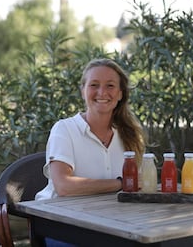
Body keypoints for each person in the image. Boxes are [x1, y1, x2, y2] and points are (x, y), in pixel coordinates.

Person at [35, 58, 146, 246]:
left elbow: (138, 186)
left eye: (110, 86)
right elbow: (64, 186)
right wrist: (119, 184)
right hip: (63, 227)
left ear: (120, 94)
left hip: (114, 225)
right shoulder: (64, 130)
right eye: (94, 85)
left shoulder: (130, 136)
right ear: (83, 91)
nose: (102, 92)